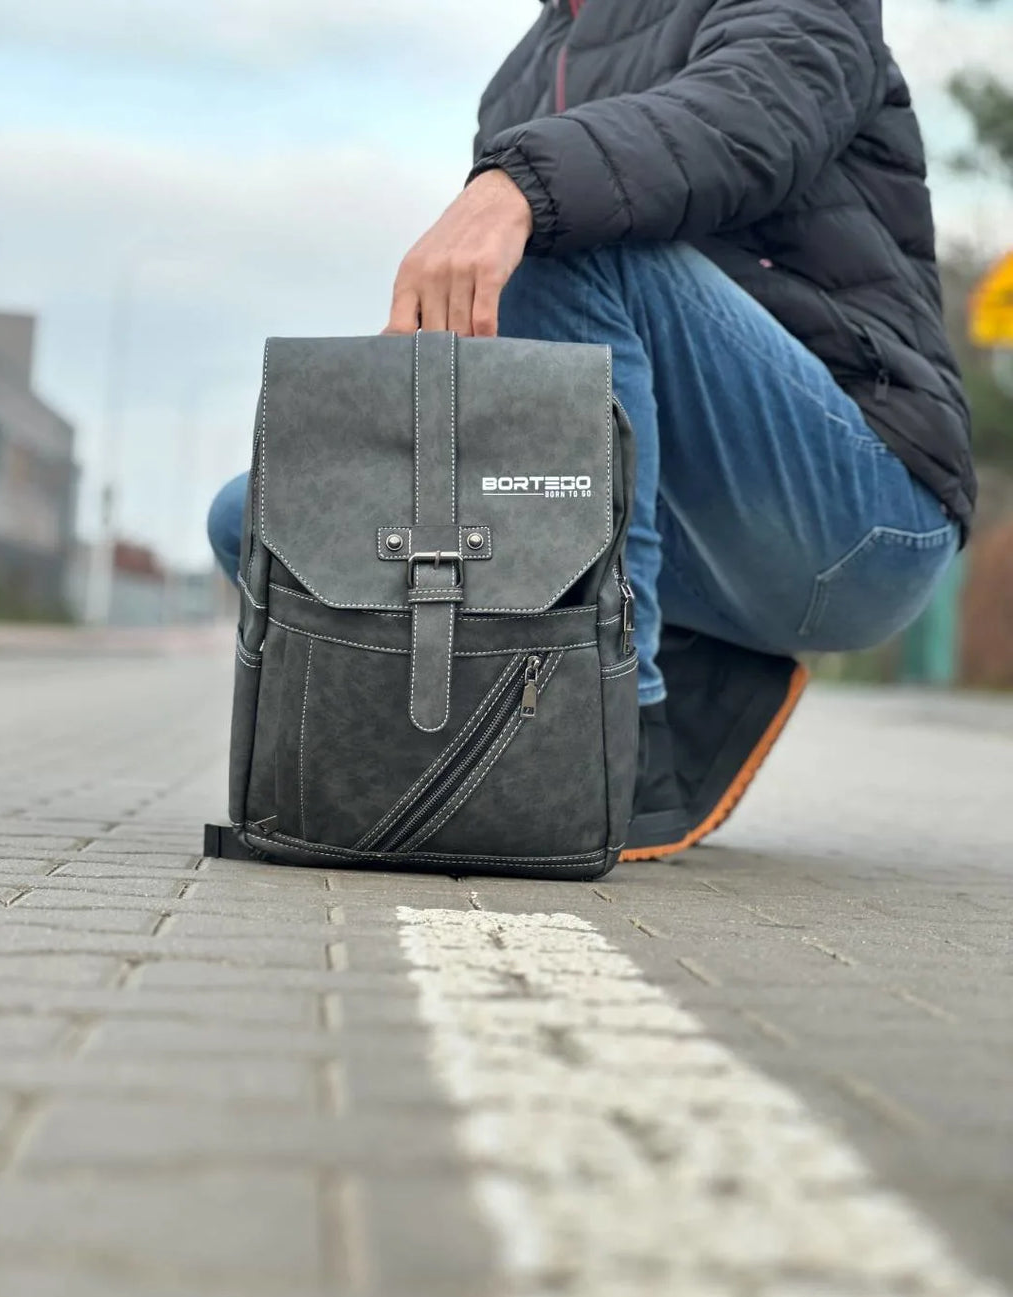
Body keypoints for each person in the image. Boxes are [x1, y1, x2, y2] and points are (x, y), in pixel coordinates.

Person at [208, 0, 973, 861]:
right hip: (693, 534)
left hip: (857, 505)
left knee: (565, 223)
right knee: (275, 511)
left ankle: (618, 740)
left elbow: (754, 114)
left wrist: (518, 188)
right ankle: (474, 745)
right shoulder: (525, 74)